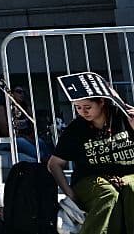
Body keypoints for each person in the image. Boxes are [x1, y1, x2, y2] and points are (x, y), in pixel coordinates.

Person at [48, 96, 134, 233]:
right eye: (78, 107)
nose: (83, 112)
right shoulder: (76, 128)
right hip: (90, 180)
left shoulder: (124, 118)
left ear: (101, 102)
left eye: (88, 107)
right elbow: (54, 164)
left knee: (131, 188)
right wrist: (70, 193)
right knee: (108, 194)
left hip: (129, 175)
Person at [0, 85, 51, 160]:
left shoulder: (25, 107)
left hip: (27, 137)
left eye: (23, 92)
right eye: (19, 92)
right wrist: (24, 137)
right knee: (37, 153)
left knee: (40, 142)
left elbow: (35, 123)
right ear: (11, 93)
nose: (22, 94)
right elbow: (4, 131)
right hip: (11, 139)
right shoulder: (2, 108)